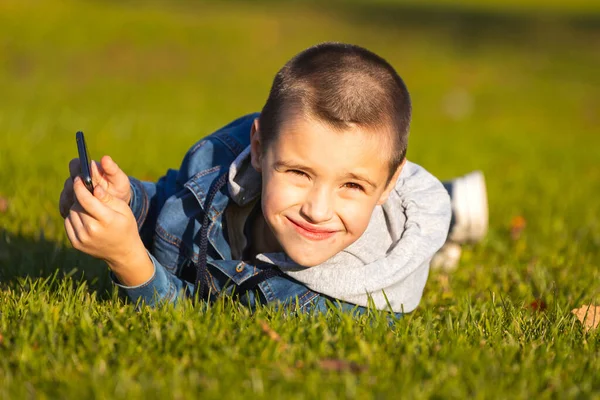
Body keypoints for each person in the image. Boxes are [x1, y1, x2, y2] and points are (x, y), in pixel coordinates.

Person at [58, 42, 487, 316]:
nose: (317, 210)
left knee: (411, 238)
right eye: (299, 173)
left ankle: (441, 219)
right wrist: (124, 202)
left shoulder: (355, 303)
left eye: (351, 185)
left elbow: (204, 324)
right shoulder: (222, 161)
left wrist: (129, 261)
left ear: (390, 181)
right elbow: (171, 203)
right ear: (260, 150)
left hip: (375, 247)